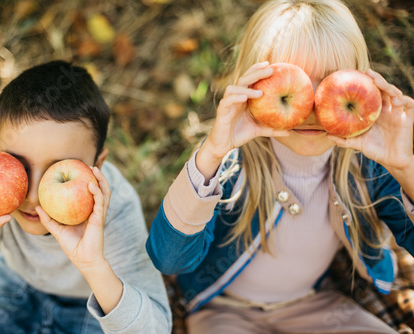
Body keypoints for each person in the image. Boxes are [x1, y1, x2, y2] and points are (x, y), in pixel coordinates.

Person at [145, 0, 414, 333]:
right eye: (294, 84)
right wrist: (212, 152)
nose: (314, 106)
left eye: (332, 83)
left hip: (313, 305)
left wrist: (405, 167)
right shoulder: (229, 169)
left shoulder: (365, 169)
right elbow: (168, 260)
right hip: (224, 310)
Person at [0, 61, 172, 333]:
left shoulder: (117, 208)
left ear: (99, 164)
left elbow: (156, 329)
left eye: (57, 170)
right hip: (13, 281)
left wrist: (93, 266)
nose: (34, 195)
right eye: (18, 164)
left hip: (92, 303)